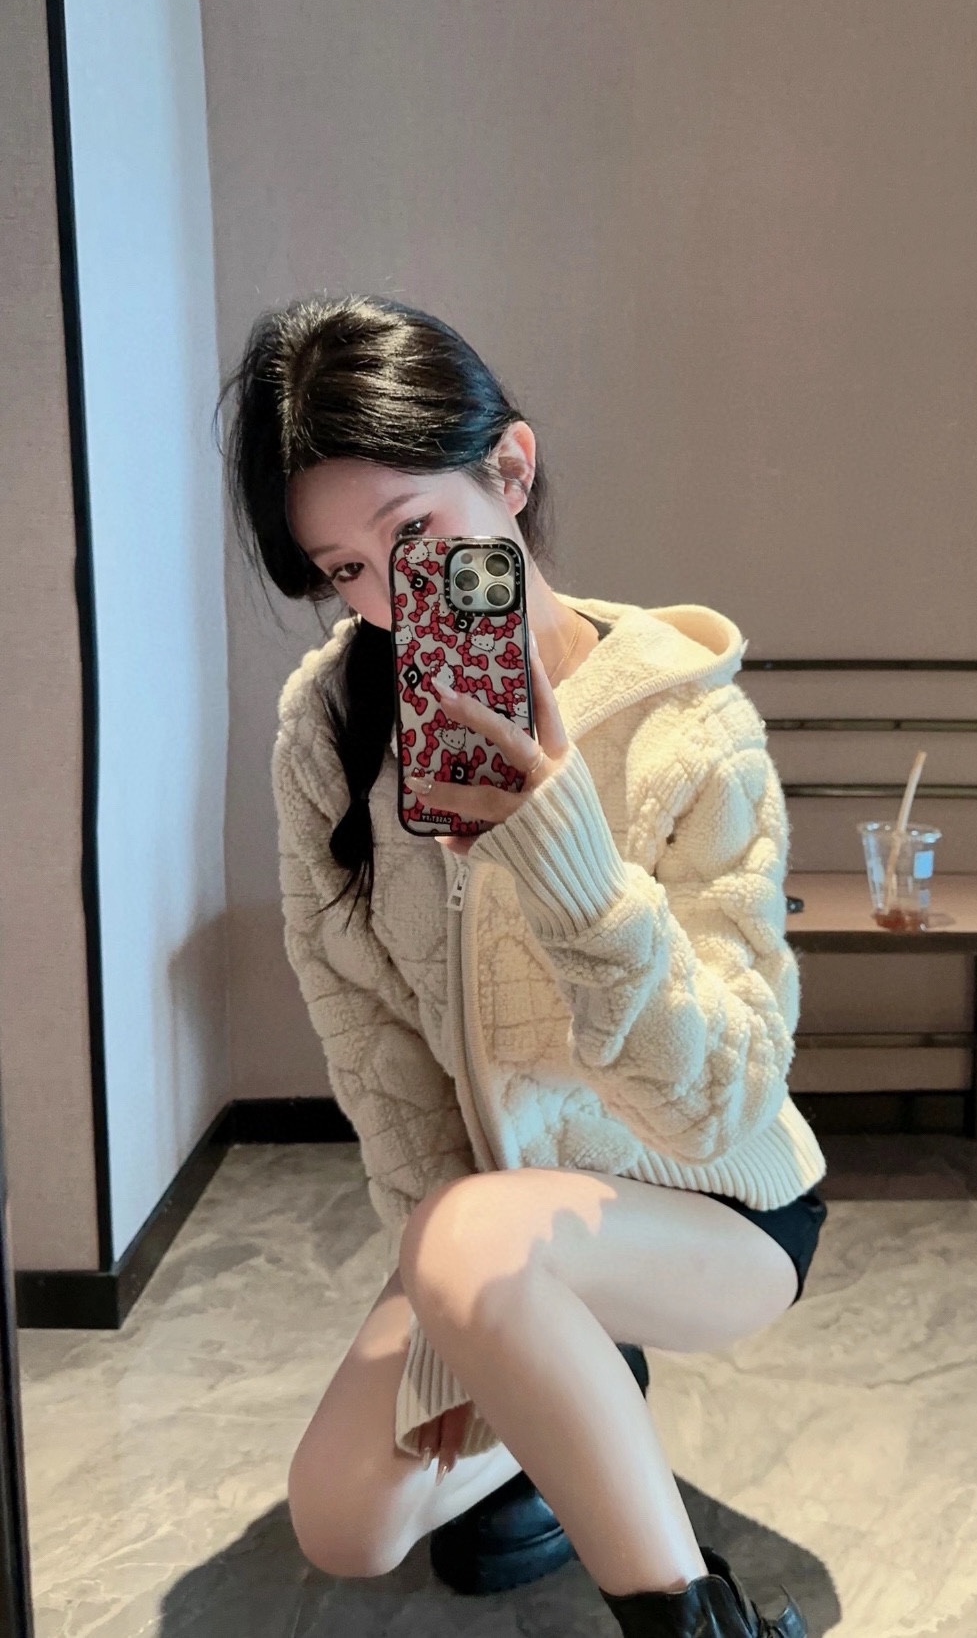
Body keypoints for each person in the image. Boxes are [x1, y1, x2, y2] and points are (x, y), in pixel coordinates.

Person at [220, 294, 827, 1638]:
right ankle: (559, 1360)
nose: (389, 599)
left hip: (716, 1211)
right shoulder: (327, 730)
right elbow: (372, 1043)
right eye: (343, 569)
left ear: (510, 468)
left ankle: (695, 1621)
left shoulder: (693, 732)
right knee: (346, 1521)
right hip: (484, 1218)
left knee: (476, 1245)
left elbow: (723, 1102)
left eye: (414, 535)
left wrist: (563, 856)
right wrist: (460, 1314)